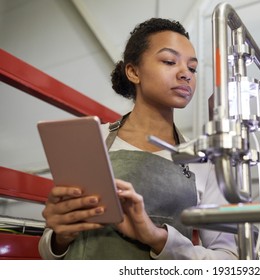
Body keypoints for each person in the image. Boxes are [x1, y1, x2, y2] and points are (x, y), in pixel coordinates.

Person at [38, 18, 238, 260]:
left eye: (192, 68)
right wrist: (59, 238)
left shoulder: (204, 160)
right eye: (169, 61)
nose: (186, 74)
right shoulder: (92, 141)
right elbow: (49, 251)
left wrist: (158, 237)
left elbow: (229, 258)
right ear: (133, 72)